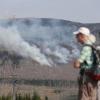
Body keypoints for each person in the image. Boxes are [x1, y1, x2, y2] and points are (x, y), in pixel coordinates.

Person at [73, 27, 97, 100]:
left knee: (84, 97)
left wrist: (76, 63)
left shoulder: (86, 48)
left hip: (86, 78)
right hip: (93, 77)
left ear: (82, 35)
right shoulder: (92, 46)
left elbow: (77, 64)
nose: (76, 37)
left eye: (77, 35)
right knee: (92, 97)